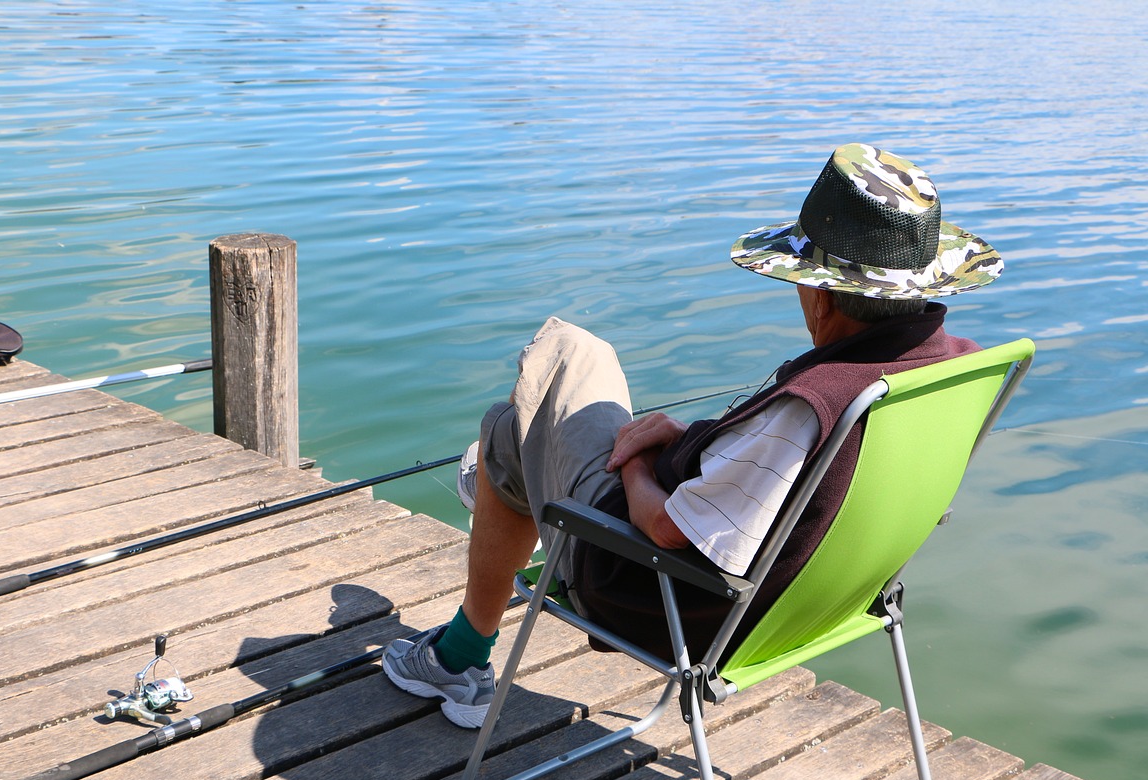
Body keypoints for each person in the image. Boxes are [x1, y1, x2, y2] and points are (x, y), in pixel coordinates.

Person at [383, 143, 1004, 728]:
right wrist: (690, 438)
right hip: (826, 607)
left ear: (819, 292)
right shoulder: (951, 374)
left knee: (559, 365)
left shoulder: (813, 407)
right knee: (517, 438)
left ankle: (460, 649)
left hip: (653, 594)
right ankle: (509, 478)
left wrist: (635, 455)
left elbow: (663, 530)